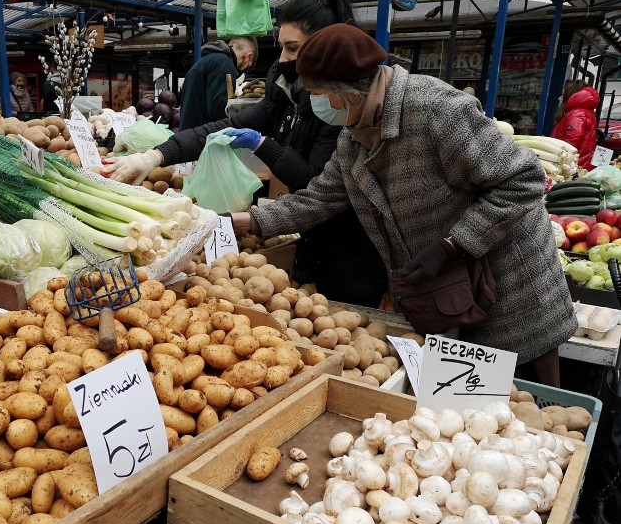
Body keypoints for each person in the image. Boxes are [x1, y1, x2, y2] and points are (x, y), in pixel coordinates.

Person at [231, 23, 576, 385]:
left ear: (345, 92)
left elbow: (523, 179)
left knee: (524, 395)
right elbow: (320, 197)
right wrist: (243, 221)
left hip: (508, 276)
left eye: (318, 93)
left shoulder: (437, 110)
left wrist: (453, 244)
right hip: (449, 288)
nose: (317, 104)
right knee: (466, 394)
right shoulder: (355, 138)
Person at [103, 0, 389, 307]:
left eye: (292, 48)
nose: (282, 59)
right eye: (281, 47)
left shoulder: (342, 111)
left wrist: (262, 145)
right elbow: (220, 128)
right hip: (304, 234)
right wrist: (154, 156)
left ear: (325, 48)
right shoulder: (282, 95)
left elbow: (315, 184)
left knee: (343, 314)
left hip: (349, 249)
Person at [176, 36, 258, 130]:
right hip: (202, 140)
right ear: (247, 57)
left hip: (189, 136)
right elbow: (218, 109)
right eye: (248, 66)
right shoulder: (224, 63)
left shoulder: (206, 60)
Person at [552, 79, 598, 171]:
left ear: (569, 95)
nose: (560, 98)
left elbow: (571, 145)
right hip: (577, 165)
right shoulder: (582, 112)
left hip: (571, 167)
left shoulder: (577, 115)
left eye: (563, 94)